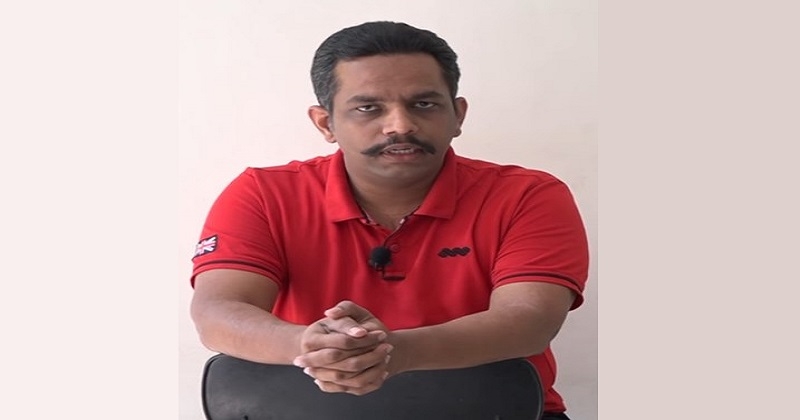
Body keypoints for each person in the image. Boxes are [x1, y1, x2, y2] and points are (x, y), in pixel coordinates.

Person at [189, 21, 590, 420]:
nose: (400, 125)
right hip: (307, 410)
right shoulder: (263, 193)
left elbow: (528, 321)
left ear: (458, 115)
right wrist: (309, 345)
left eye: (424, 104)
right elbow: (218, 311)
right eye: (369, 108)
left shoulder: (526, 195)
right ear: (326, 123)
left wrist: (396, 352)